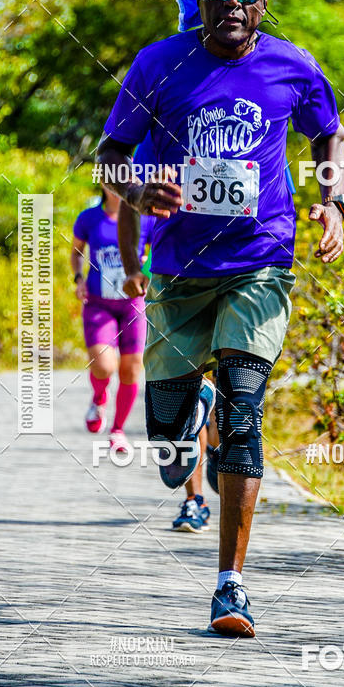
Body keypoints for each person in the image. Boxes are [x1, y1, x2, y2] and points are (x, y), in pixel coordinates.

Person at [97, 0, 344, 637]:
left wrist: (334, 200)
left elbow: (328, 134)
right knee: (168, 442)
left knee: (244, 406)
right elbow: (108, 158)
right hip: (179, 269)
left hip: (260, 259)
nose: (234, 6)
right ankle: (181, 416)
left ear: (263, 4)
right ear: (200, 1)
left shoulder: (294, 65)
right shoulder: (159, 64)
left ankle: (230, 587)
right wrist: (138, 189)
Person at [118, 136, 212, 533]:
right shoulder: (156, 140)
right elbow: (129, 204)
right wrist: (131, 269)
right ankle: (194, 500)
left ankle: (227, 460)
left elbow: (278, 196)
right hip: (177, 280)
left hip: (244, 274)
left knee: (232, 392)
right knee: (186, 398)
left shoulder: (253, 134)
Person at [71, 187, 154, 454]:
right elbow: (76, 252)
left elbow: (157, 250)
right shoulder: (89, 218)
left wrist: (146, 269)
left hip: (133, 304)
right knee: (104, 367)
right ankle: (99, 397)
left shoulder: (145, 217)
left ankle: (118, 430)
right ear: (105, 184)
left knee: (131, 370)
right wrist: (79, 279)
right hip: (99, 304)